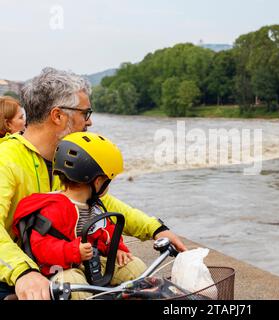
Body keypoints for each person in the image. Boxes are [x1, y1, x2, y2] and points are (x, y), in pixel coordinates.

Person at [0, 67, 186, 300]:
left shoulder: (65, 158)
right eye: (85, 113)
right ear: (58, 116)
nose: (90, 121)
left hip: (64, 266)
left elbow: (100, 202)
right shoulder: (6, 160)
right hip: (17, 277)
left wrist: (155, 228)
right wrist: (23, 272)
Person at [13, 132, 148, 300]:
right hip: (62, 268)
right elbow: (40, 246)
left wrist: (119, 248)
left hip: (92, 262)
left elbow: (107, 230)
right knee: (72, 283)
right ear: (98, 181)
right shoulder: (54, 208)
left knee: (135, 267)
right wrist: (72, 251)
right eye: (108, 180)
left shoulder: (94, 205)